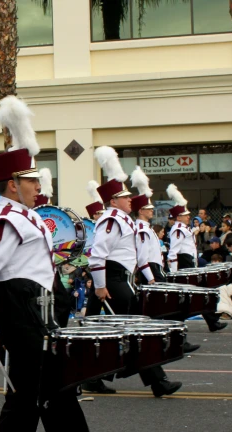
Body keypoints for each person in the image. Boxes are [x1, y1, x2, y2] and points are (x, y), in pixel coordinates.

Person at [0, 97, 118, 432]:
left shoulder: (27, 217)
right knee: (58, 393)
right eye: (32, 180)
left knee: (25, 398)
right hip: (22, 314)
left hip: (39, 311)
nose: (39, 186)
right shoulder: (7, 220)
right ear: (12, 184)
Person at [84, 151, 182, 397]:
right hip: (113, 281)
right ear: (113, 201)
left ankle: (93, 378)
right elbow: (97, 255)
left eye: (128, 196)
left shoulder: (123, 220)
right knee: (135, 333)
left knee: (109, 335)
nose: (130, 200)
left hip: (120, 280)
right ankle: (158, 382)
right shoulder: (112, 220)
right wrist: (99, 285)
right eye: (123, 197)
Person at [131, 171, 199, 354]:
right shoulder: (142, 229)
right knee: (166, 308)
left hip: (155, 270)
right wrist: (151, 278)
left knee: (163, 309)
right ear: (141, 211)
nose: (153, 211)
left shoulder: (146, 228)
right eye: (149, 208)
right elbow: (143, 257)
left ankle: (172, 341)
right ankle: (171, 343)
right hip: (152, 271)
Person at [167, 184, 227, 333]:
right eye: (186, 215)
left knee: (197, 295)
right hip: (184, 266)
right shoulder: (178, 230)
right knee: (195, 296)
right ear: (179, 217)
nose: (189, 217)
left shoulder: (183, 229)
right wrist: (174, 273)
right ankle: (206, 321)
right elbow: (173, 253)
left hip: (189, 265)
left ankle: (211, 321)